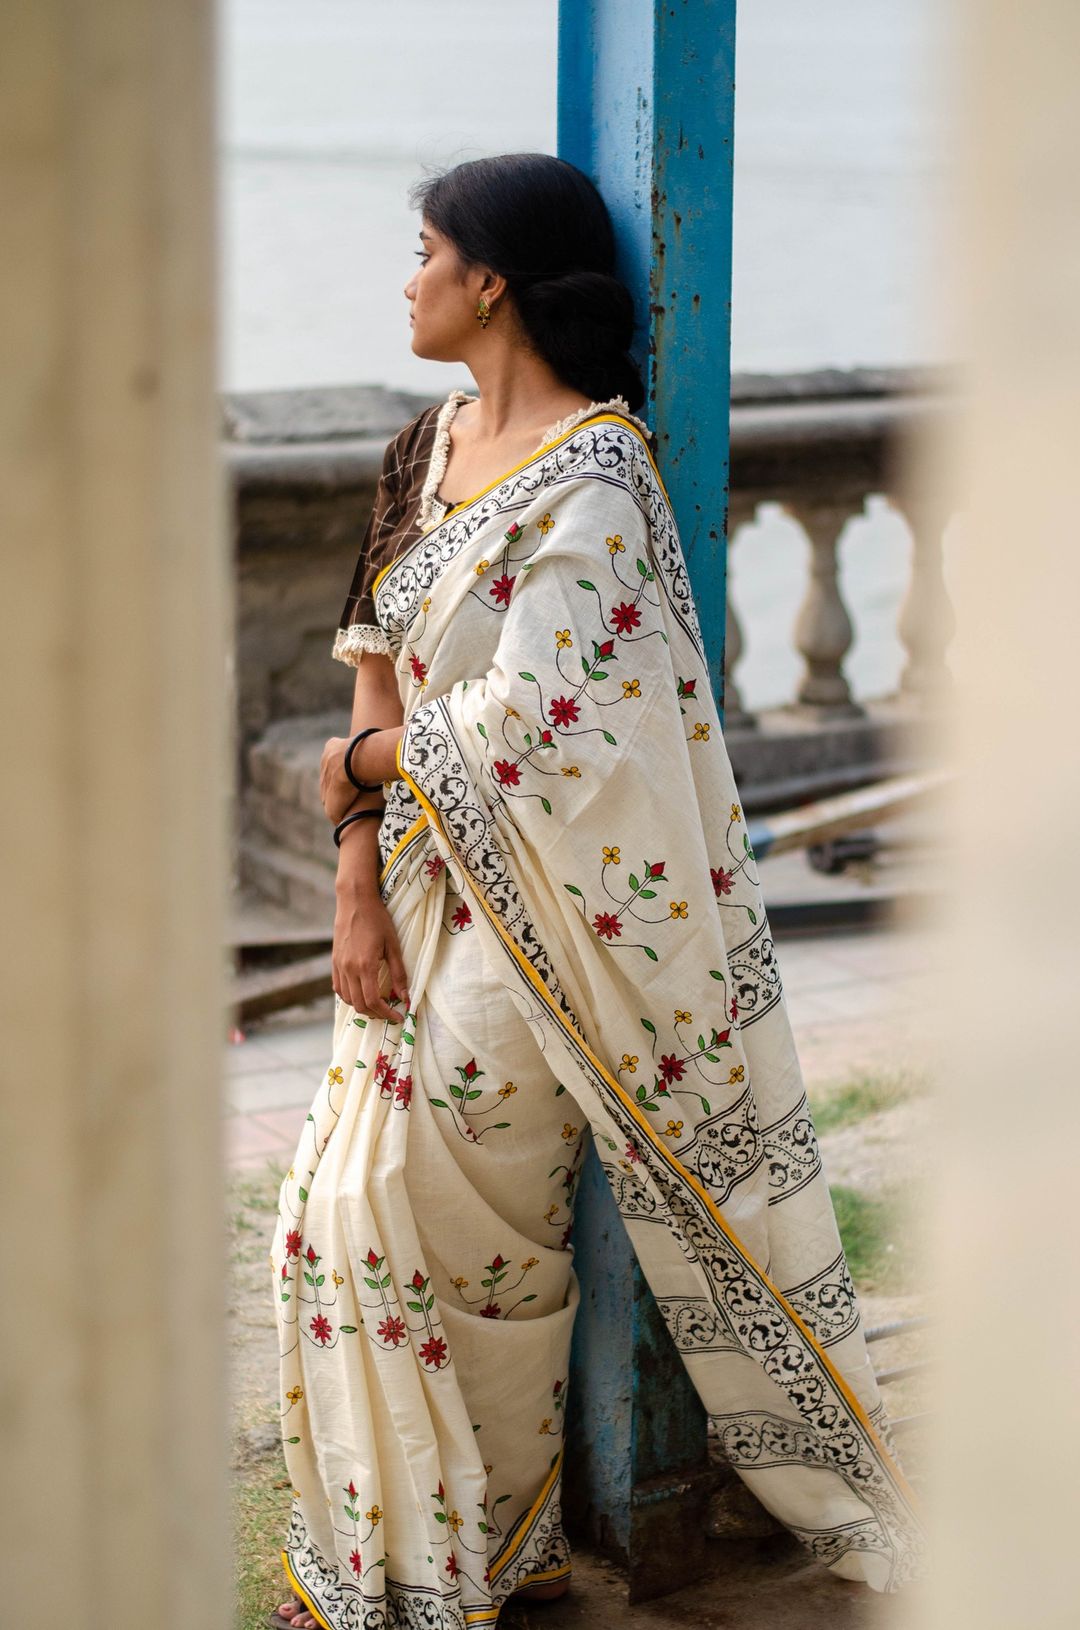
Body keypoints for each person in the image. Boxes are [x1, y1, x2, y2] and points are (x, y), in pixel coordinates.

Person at [270, 153, 924, 1630]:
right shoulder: (420, 449)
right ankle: (405, 1544)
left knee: (468, 1242)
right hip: (416, 894)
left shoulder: (598, 478)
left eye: (425, 251)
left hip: (543, 928)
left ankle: (480, 1555)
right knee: (332, 1211)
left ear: (490, 280)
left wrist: (359, 764)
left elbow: (548, 723)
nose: (407, 279)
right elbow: (377, 658)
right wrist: (353, 883)